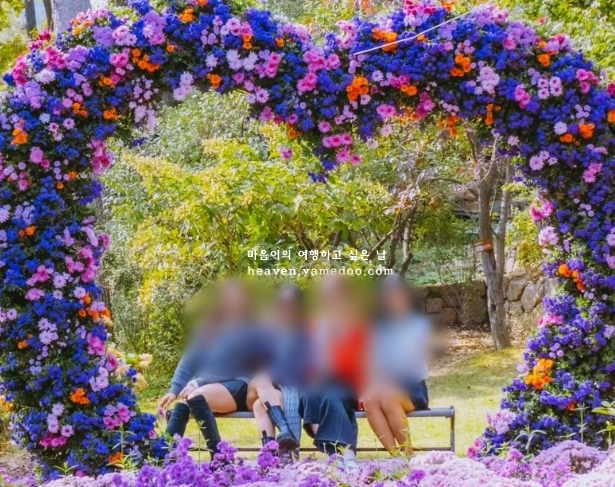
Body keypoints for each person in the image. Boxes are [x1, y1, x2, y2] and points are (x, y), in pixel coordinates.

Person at [159, 279, 271, 458]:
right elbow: (190, 359)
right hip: (207, 388)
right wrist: (174, 389)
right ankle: (164, 457)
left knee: (196, 396)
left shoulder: (253, 330)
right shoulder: (207, 328)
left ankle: (219, 458)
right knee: (183, 405)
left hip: (238, 385)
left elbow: (232, 366)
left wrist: (199, 382)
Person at [298, 275, 369, 472]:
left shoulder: (357, 325)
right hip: (321, 380)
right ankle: (336, 454)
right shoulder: (314, 325)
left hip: (348, 382)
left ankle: (346, 454)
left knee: (332, 397)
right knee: (309, 395)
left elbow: (363, 360)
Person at [361, 275, 431, 456]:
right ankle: (395, 457)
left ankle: (409, 455)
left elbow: (407, 360)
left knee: (388, 398)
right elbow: (373, 360)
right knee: (369, 401)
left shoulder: (418, 325)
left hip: (412, 387)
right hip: (384, 385)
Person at [246, 284, 311, 456]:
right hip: (257, 389)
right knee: (262, 378)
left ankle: (271, 455)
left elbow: (305, 366)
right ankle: (285, 429)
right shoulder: (266, 333)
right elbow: (253, 362)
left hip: (279, 395)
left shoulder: (305, 334)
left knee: (260, 406)